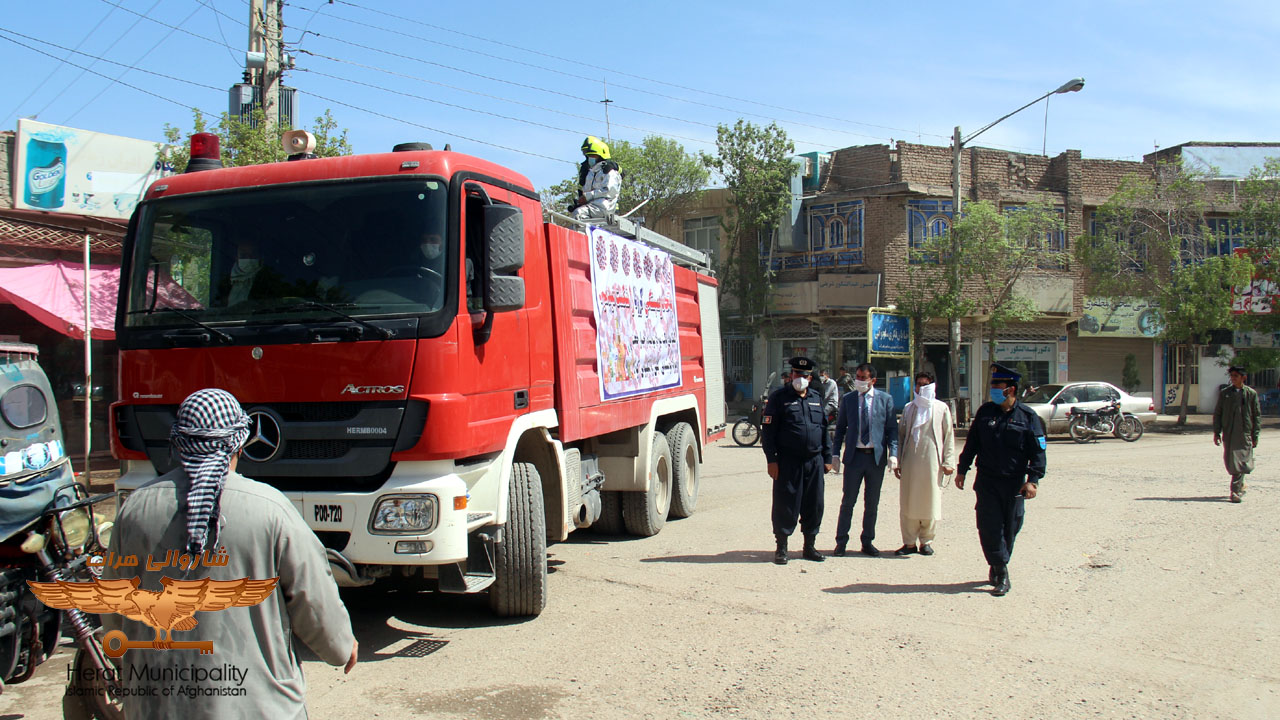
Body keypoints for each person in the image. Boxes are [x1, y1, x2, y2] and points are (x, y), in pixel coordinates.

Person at [102, 388, 358, 719]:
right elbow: (313, 596)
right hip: (257, 707)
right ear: (239, 442)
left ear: (179, 443)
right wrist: (339, 646)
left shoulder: (135, 509)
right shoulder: (271, 509)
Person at [955, 363, 1047, 597]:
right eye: (993, 385)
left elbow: (1038, 452)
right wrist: (962, 469)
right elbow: (972, 444)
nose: (994, 389)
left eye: (999, 385)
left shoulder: (1027, 417)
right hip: (987, 481)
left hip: (1014, 482)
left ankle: (998, 562)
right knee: (989, 527)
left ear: (1011, 390)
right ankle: (1001, 571)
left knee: (1011, 527)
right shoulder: (986, 412)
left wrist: (1033, 480)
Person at [761, 356, 832, 565]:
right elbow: (768, 431)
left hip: (814, 461)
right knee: (786, 505)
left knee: (814, 504)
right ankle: (781, 548)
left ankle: (809, 547)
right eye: (796, 374)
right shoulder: (779, 398)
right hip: (787, 462)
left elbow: (824, 429)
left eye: (803, 375)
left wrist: (827, 457)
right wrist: (771, 460)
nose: (799, 378)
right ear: (791, 374)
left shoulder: (817, 398)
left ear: (810, 377)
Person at [831, 363, 898, 557]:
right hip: (854, 458)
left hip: (875, 459)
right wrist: (835, 454)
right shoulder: (849, 399)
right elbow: (840, 428)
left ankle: (867, 541)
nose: (859, 381)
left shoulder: (885, 400)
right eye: (857, 377)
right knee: (848, 502)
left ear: (873, 380)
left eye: (863, 378)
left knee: (872, 503)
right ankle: (841, 541)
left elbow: (892, 429)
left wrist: (893, 453)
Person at [893, 371, 956, 556]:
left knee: (930, 501)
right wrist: (897, 461)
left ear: (932, 386)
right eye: (918, 384)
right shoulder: (909, 408)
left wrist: (948, 461)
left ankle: (926, 541)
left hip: (932, 462)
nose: (921, 387)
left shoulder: (941, 408)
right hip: (910, 462)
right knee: (908, 502)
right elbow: (901, 435)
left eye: (925, 384)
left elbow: (949, 437)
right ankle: (909, 542)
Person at [1213, 365, 1261, 503]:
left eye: (1236, 376)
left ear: (1243, 378)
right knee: (1232, 462)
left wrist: (1255, 434)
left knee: (1241, 462)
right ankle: (1240, 485)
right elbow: (1218, 413)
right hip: (1229, 433)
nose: (1233, 379)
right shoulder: (1225, 393)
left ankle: (1235, 491)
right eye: (1232, 376)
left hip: (1245, 433)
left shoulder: (1251, 394)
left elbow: (1256, 415)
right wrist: (1217, 432)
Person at [570, 136, 621, 221]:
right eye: (588, 155)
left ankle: (586, 233)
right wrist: (580, 202)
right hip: (593, 206)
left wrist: (587, 197)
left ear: (601, 155)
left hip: (604, 206)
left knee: (578, 213)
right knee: (576, 212)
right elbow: (585, 191)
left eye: (592, 155)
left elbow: (609, 191)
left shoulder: (608, 171)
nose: (590, 158)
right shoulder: (590, 173)